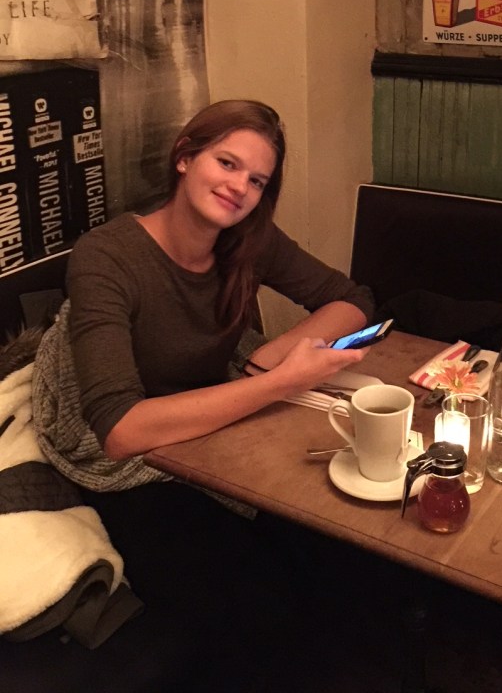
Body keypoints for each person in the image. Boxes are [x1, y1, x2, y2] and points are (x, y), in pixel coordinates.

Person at [31, 100, 376, 687]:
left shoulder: (249, 240)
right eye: (227, 163)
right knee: (249, 603)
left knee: (330, 548)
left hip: (206, 411)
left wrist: (271, 356)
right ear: (185, 157)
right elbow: (119, 430)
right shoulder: (108, 256)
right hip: (118, 451)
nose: (240, 187)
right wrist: (277, 382)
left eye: (257, 180)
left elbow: (352, 299)